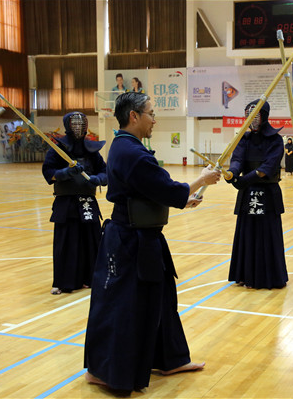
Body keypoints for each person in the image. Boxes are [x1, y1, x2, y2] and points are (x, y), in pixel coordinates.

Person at [84, 92, 220, 392]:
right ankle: (102, 370)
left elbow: (149, 190)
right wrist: (201, 180)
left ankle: (169, 358)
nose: (154, 120)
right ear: (134, 116)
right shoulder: (131, 152)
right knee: (123, 306)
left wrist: (184, 199)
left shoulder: (128, 147)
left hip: (144, 236)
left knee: (162, 298)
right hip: (129, 242)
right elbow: (166, 188)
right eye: (151, 113)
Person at [224, 99, 288, 289]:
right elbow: (237, 160)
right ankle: (245, 275)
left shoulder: (275, 140)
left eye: (256, 115)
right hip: (247, 194)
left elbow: (267, 167)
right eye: (249, 115)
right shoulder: (243, 139)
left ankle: (267, 277)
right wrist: (232, 173)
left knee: (266, 235)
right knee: (247, 233)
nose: (252, 119)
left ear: (264, 116)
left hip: (267, 193)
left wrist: (245, 180)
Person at [42, 112, 107, 295]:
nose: (78, 127)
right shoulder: (58, 149)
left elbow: (105, 172)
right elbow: (48, 173)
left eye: (81, 124)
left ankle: (91, 278)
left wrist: (98, 179)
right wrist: (65, 173)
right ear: (67, 126)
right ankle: (64, 281)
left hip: (88, 202)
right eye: (74, 124)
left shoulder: (92, 151)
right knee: (66, 243)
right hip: (66, 203)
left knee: (91, 241)